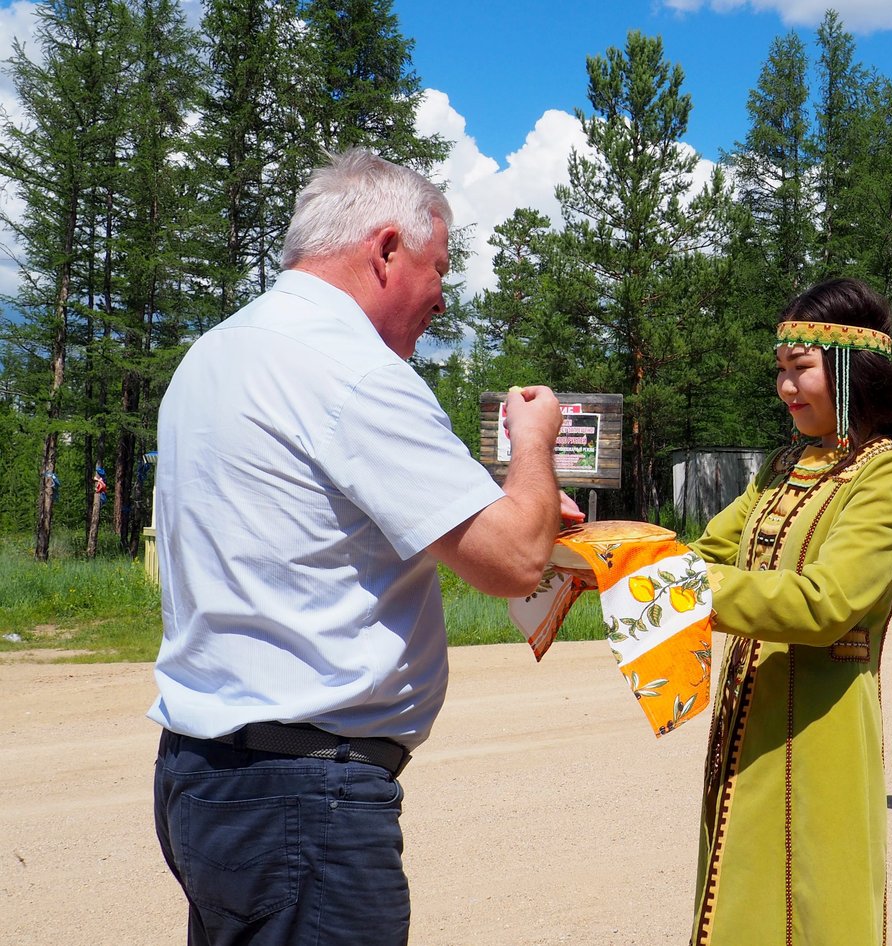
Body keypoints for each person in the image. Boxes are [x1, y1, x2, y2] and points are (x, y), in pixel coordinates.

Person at [149, 149, 579, 946]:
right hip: (304, 797)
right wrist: (534, 445)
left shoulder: (218, 353)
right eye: (439, 266)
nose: (443, 297)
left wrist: (510, 505)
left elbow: (313, 528)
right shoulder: (353, 371)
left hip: (205, 778)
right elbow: (515, 562)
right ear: (386, 250)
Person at [689, 278, 892, 946]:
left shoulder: (888, 473)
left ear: (850, 371)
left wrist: (687, 590)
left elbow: (826, 604)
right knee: (740, 894)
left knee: (815, 896)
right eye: (780, 373)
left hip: (821, 730)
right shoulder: (784, 465)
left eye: (801, 370)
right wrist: (607, 559)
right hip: (749, 713)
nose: (787, 389)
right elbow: (706, 550)